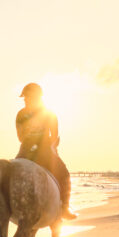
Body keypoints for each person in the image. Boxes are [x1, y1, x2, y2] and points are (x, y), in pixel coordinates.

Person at [14, 82, 76, 220]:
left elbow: (20, 136)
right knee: (63, 173)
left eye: (27, 97)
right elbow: (54, 135)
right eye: (25, 97)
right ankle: (64, 206)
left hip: (25, 149)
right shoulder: (49, 113)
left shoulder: (20, 114)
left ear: (36, 97)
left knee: (12, 170)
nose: (25, 100)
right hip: (44, 149)